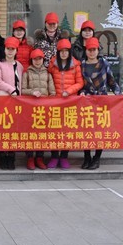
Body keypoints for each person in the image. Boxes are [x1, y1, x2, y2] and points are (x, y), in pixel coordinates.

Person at [80, 37, 122, 170]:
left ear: (98, 50)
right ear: (86, 51)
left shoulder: (104, 63)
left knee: (100, 130)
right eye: (89, 50)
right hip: (87, 101)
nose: (91, 52)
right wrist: (81, 92)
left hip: (101, 101)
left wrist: (119, 95)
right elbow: (80, 83)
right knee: (86, 130)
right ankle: (87, 157)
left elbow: (111, 81)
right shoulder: (82, 64)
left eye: (94, 50)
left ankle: (97, 158)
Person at [47, 38, 84, 169]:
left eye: (66, 51)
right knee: (54, 130)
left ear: (69, 52)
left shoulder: (75, 65)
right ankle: (54, 156)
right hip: (55, 102)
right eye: (61, 51)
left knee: (67, 130)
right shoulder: (53, 65)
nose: (63, 54)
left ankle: (64, 156)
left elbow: (80, 83)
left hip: (70, 102)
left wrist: (69, 91)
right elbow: (47, 79)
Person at [21, 48, 55, 170]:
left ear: (43, 60)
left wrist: (50, 100)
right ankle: (30, 157)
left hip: (44, 108)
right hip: (30, 108)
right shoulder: (26, 73)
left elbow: (52, 92)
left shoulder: (48, 74)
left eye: (39, 59)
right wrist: (32, 92)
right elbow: (22, 90)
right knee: (30, 133)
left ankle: (40, 157)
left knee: (42, 133)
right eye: (35, 59)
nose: (37, 61)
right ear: (31, 60)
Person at [0, 37, 22, 170]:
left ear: (16, 51)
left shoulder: (19, 65)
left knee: (13, 130)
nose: (10, 51)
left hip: (16, 102)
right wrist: (11, 90)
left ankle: (11, 156)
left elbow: (20, 83)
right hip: (2, 101)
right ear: (4, 50)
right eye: (8, 49)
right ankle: (2, 156)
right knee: (2, 128)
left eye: (13, 49)